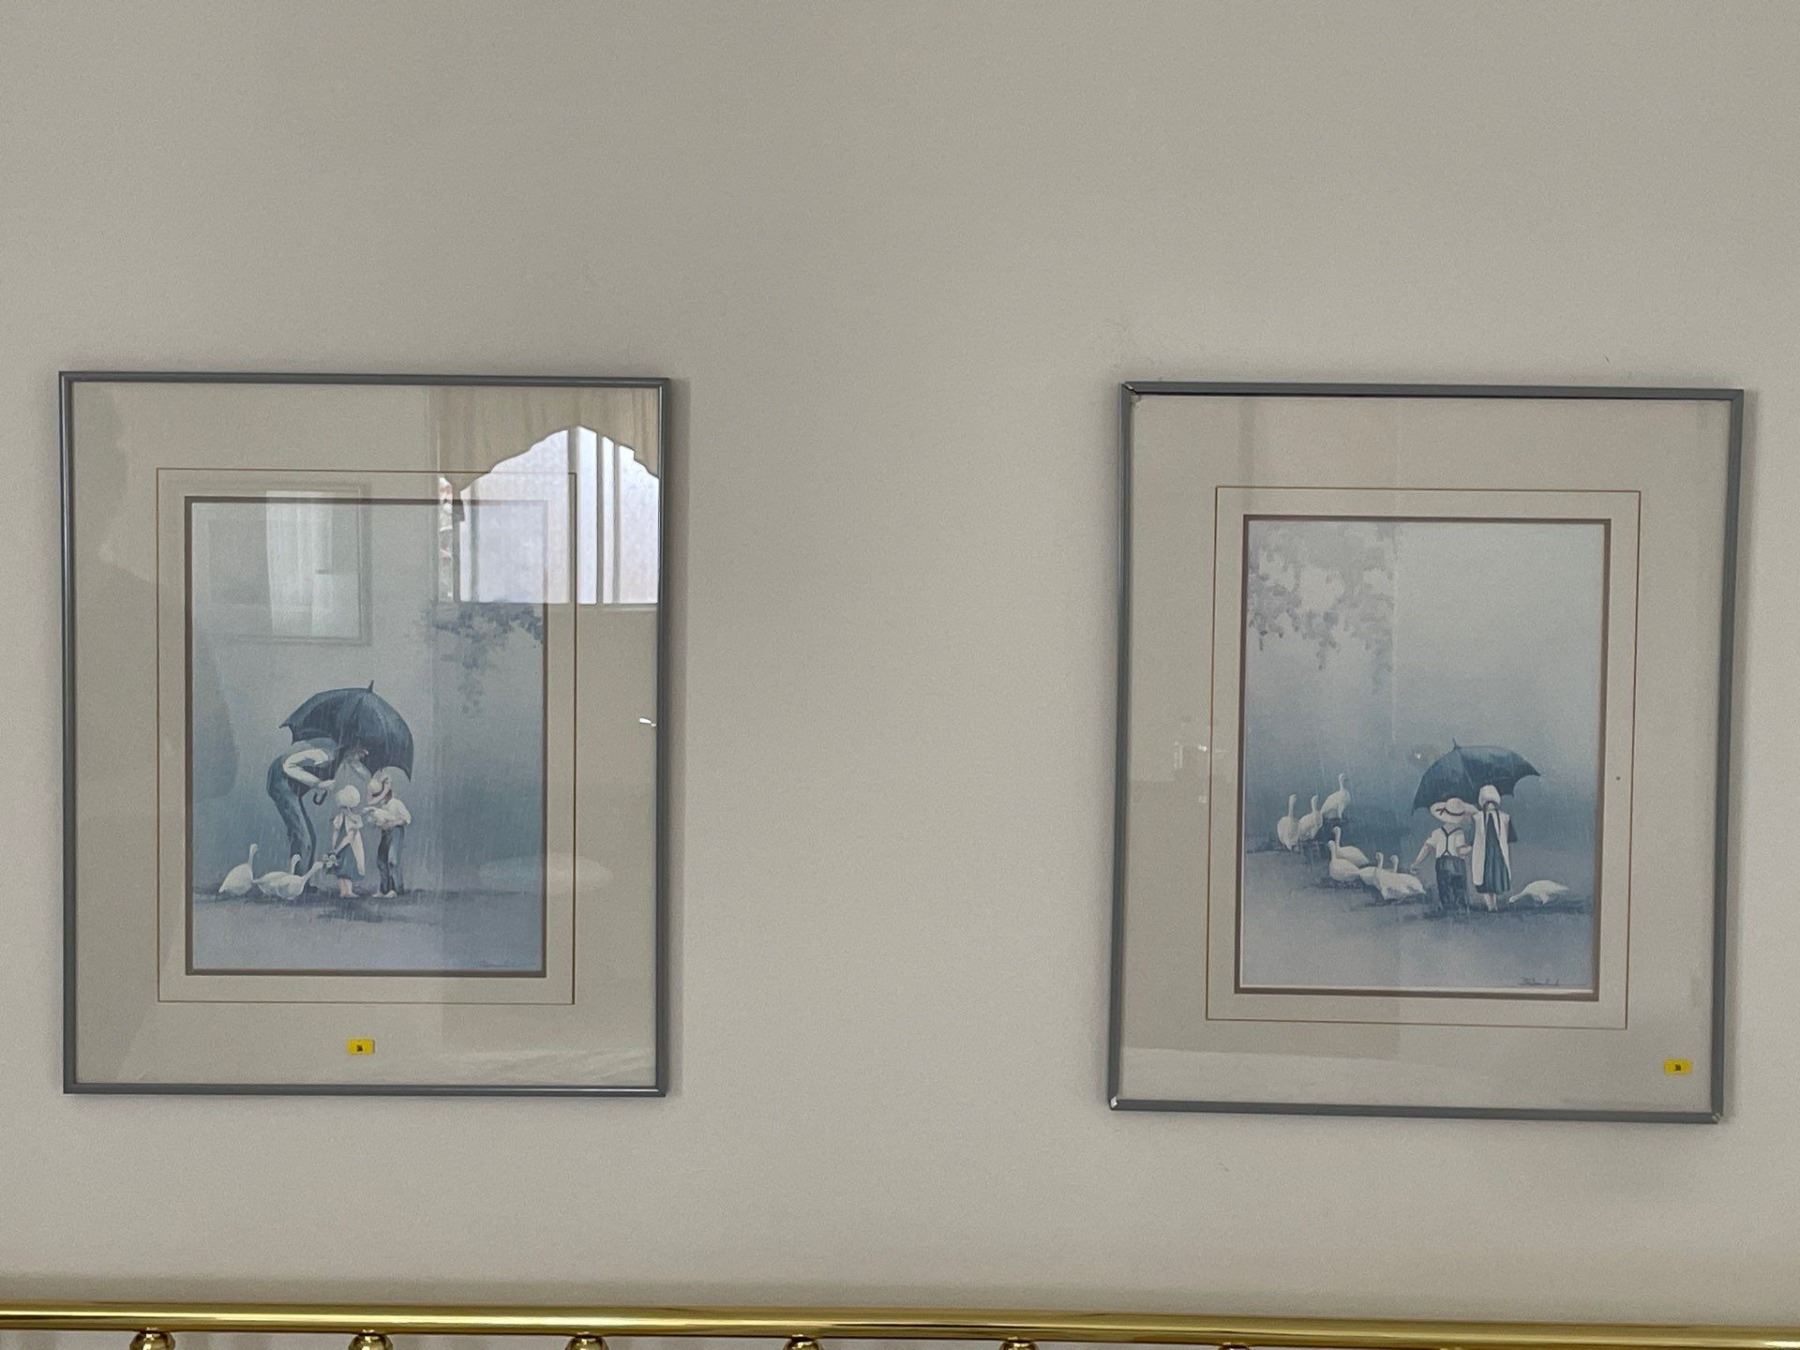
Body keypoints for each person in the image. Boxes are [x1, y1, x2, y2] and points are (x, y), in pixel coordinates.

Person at [265, 739, 334, 876]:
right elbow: (288, 765)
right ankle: (298, 881)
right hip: (280, 781)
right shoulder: (324, 755)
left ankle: (302, 880)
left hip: (291, 786)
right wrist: (318, 783)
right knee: (304, 838)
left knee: (309, 838)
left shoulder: (339, 763)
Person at [1410, 798, 1473, 914]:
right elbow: (1460, 851)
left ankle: (1447, 909)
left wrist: (1416, 862)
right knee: (1459, 888)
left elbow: (1426, 848)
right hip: (1456, 863)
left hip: (1441, 863)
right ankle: (1461, 909)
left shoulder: (1437, 832)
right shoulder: (1459, 833)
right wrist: (1470, 848)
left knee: (1444, 889)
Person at [1469, 783, 1516, 911]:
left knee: (1494, 878)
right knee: (1484, 879)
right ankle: (1491, 906)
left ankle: (1493, 905)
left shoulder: (1505, 817)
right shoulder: (1477, 818)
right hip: (1483, 853)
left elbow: (1511, 837)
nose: (1490, 805)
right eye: (1487, 802)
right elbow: (1471, 837)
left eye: (1492, 802)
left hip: (1497, 854)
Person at [366, 769, 412, 897]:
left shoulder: (396, 803)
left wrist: (393, 822)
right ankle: (384, 889)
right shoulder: (383, 805)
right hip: (385, 834)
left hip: (396, 832)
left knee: (392, 860)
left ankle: (395, 889)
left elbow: (407, 818)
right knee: (381, 861)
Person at [324, 783, 367, 899]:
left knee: (347, 869)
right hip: (339, 846)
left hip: (349, 847)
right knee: (339, 869)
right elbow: (336, 832)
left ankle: (349, 891)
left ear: (349, 807)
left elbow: (350, 837)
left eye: (344, 807)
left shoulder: (355, 819)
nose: (342, 810)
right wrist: (333, 847)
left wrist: (338, 849)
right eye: (341, 807)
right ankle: (343, 891)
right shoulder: (339, 818)